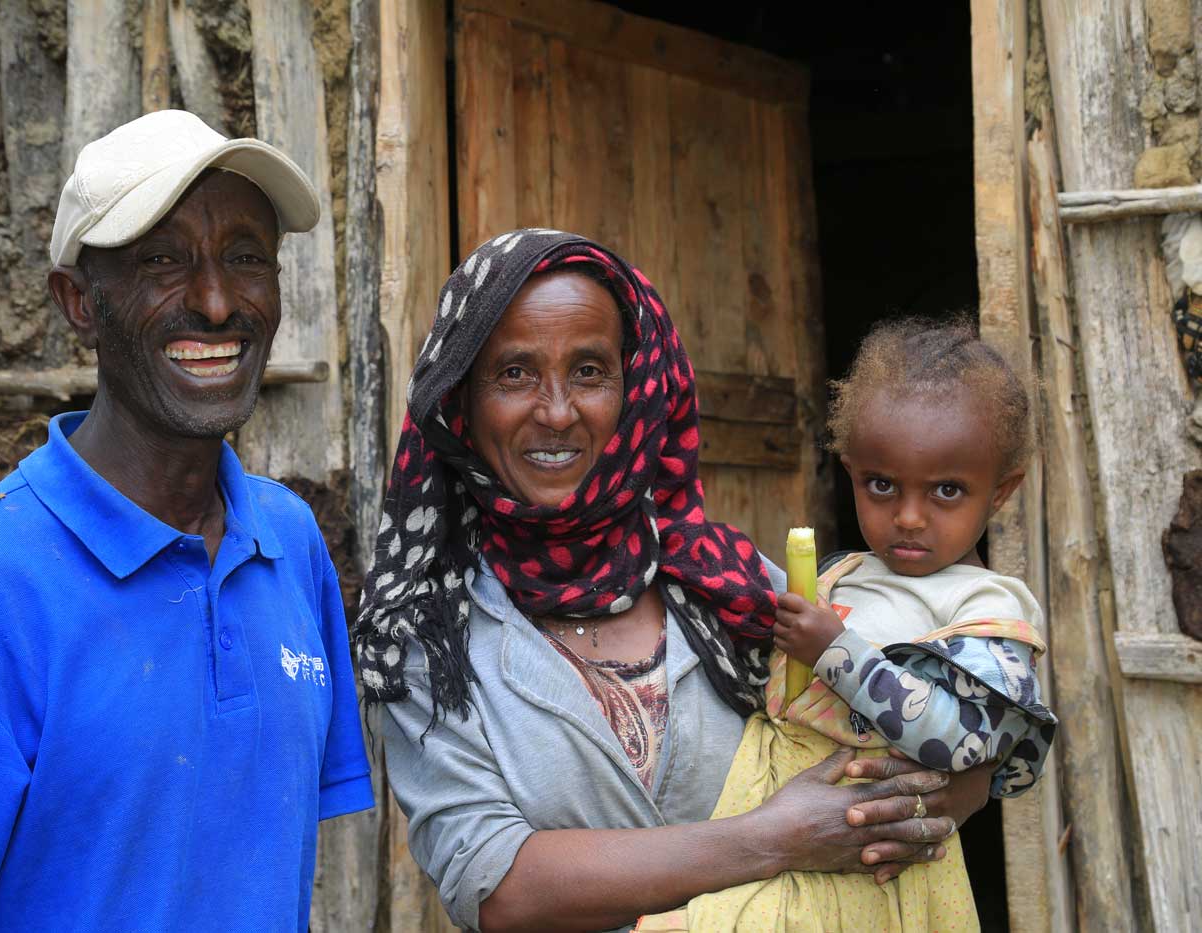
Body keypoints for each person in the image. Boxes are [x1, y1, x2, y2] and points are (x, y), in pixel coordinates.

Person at [354, 230, 994, 933]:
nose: (558, 410)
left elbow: (957, 757)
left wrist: (912, 794)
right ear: (462, 402)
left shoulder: (735, 585)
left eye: (590, 371)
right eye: (514, 373)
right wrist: (774, 835)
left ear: (636, 387)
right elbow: (496, 882)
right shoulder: (425, 638)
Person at [0, 110, 373, 932]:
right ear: (78, 303)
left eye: (246, 257)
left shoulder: (288, 541)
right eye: (163, 260)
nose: (215, 300)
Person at [637, 317, 1057, 931]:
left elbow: (962, 742)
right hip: (770, 811)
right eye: (881, 484)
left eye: (946, 490)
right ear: (851, 470)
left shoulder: (986, 607)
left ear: (999, 492)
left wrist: (838, 650)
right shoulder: (842, 576)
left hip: (873, 851)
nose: (909, 517)